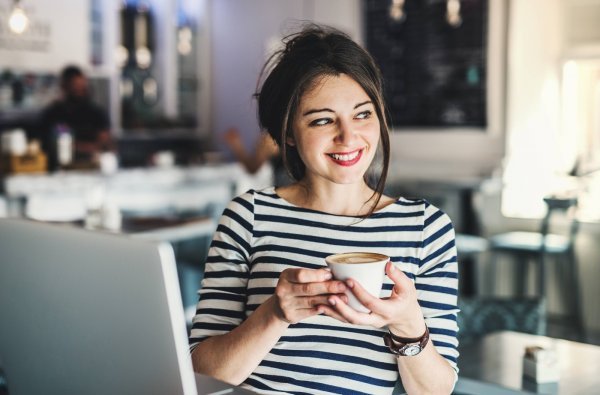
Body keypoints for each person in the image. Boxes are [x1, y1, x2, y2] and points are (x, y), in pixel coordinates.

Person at [189, 25, 459, 394]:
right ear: (287, 132)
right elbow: (200, 373)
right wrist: (274, 314)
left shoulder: (426, 228)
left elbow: (436, 390)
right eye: (322, 120)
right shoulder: (248, 217)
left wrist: (409, 325)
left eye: (362, 114)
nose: (348, 137)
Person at [38, 65, 113, 170]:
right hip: (58, 169)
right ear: (64, 86)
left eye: (80, 85)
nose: (78, 89)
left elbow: (104, 144)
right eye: (74, 85)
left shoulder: (96, 114)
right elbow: (43, 144)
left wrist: (75, 147)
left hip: (91, 169)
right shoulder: (52, 114)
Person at [223, 127, 292, 187]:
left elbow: (253, 167)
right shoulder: (272, 137)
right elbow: (253, 167)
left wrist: (236, 145)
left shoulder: (271, 138)